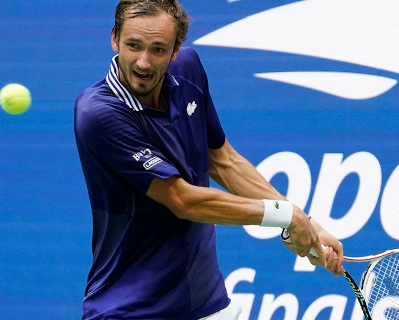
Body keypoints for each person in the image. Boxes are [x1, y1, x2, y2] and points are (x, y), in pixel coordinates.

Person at [74, 0, 344, 319]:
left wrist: (306, 222)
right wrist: (288, 217)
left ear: (176, 51)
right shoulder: (99, 114)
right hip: (131, 309)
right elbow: (183, 200)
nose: (144, 62)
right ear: (114, 39)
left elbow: (222, 161)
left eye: (158, 50)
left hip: (206, 304)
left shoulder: (188, 70)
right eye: (134, 46)